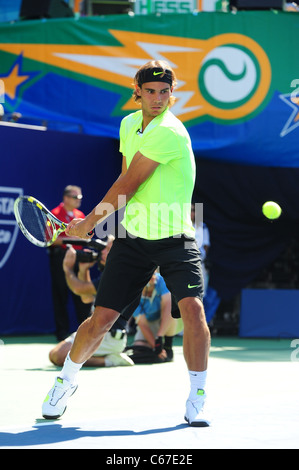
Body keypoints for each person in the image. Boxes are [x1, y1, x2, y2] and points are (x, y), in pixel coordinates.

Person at [42, 60, 211, 426]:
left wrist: (88, 223)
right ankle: (64, 381)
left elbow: (129, 184)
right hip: (133, 236)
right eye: (150, 92)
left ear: (171, 93)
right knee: (101, 318)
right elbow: (125, 182)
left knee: (193, 310)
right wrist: (111, 231)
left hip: (174, 237)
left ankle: (197, 393)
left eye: (165, 92)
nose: (158, 99)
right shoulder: (128, 125)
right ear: (138, 93)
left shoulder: (170, 131)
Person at [49, 235, 134, 368]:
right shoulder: (109, 272)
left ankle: (111, 360)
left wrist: (68, 269)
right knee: (54, 354)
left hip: (110, 337)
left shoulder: (120, 275)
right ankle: (105, 356)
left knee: (59, 356)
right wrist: (84, 269)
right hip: (98, 329)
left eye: (108, 249)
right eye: (104, 249)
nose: (103, 252)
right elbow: (86, 298)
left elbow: (79, 289)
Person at [48, 185, 93, 341]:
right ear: (66, 198)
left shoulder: (80, 214)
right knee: (60, 295)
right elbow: (50, 239)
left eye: (80, 197)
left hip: (78, 258)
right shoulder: (54, 214)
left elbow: (85, 236)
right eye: (75, 197)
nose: (78, 200)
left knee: (82, 296)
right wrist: (70, 240)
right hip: (60, 258)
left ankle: (85, 332)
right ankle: (62, 335)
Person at [127, 271, 183, 364]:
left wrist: (159, 337)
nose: (153, 276)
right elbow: (143, 324)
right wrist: (156, 346)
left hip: (165, 320)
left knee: (171, 311)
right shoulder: (132, 291)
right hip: (148, 323)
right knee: (139, 348)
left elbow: (168, 306)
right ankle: (159, 350)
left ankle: (168, 347)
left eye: (153, 272)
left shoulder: (161, 280)